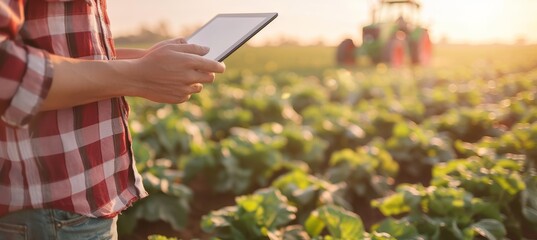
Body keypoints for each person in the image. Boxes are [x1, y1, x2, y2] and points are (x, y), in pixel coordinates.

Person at [0, 0, 225, 239]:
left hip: (68, 212)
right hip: (49, 215)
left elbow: (60, 50)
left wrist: (144, 61)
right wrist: (139, 76)